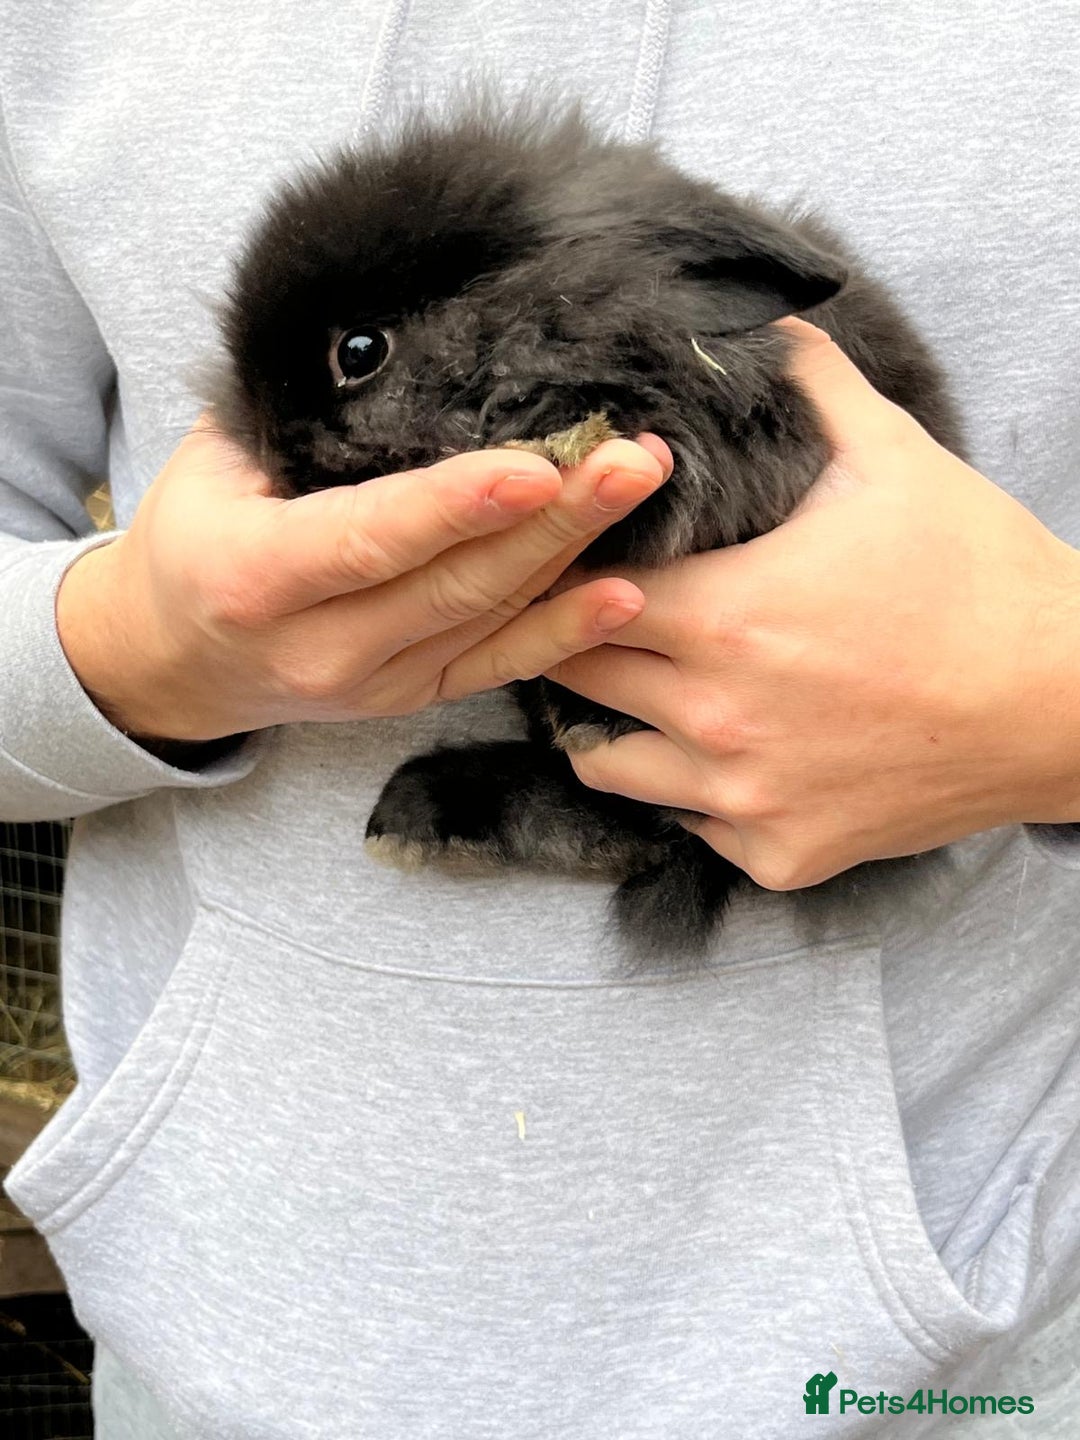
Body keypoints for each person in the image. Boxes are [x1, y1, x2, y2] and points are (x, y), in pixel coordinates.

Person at [1, 2, 1076, 1436]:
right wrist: (143, 645)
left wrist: (1047, 702)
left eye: (365, 360)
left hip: (950, 1367)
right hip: (241, 1340)